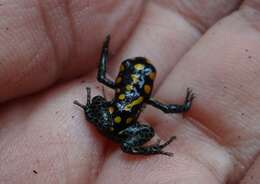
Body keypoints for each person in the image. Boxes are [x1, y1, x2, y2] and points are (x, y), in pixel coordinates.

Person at [0, 1, 259, 183]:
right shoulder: (146, 98)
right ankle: (137, 147)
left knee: (100, 96)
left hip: (111, 121)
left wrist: (104, 54)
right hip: (121, 129)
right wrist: (187, 104)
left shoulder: (117, 86)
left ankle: (130, 142)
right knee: (146, 129)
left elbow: (102, 76)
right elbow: (172, 109)